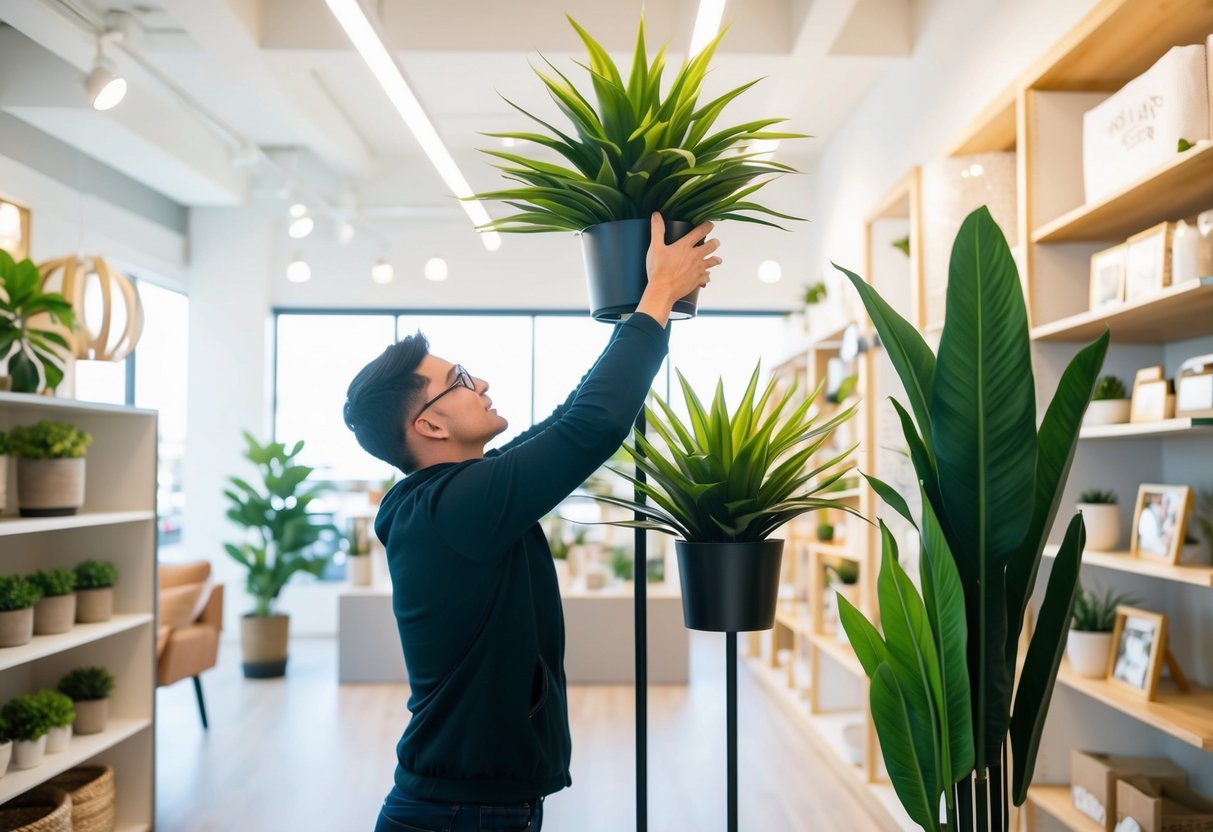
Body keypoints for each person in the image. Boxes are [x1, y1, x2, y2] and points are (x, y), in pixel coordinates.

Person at [343, 213, 721, 832]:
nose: (480, 381)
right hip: (460, 813)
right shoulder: (452, 508)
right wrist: (655, 297)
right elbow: (590, 428)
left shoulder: (457, 495)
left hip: (467, 805)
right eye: (458, 381)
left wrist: (651, 307)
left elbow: (570, 416)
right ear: (431, 426)